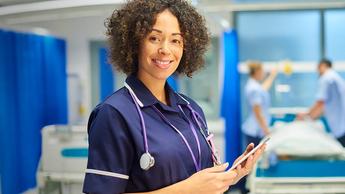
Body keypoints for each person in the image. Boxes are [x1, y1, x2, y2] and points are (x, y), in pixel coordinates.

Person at [83, 1, 266, 193]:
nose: (165, 49)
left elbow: (201, 181)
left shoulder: (191, 109)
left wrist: (232, 176)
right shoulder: (114, 114)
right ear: (134, 43)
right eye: (154, 38)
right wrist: (187, 189)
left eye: (175, 40)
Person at [297, 59, 345, 147]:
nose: (317, 71)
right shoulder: (337, 78)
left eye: (318, 68)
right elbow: (326, 105)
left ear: (323, 66)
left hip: (340, 127)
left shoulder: (326, 78)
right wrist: (311, 116)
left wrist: (306, 115)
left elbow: (320, 102)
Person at [242, 61, 277, 146]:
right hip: (255, 131)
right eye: (262, 71)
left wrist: (273, 75)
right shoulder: (254, 89)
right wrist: (266, 130)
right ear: (257, 71)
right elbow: (257, 112)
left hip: (254, 129)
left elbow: (264, 88)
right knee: (255, 157)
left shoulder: (253, 85)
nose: (264, 73)